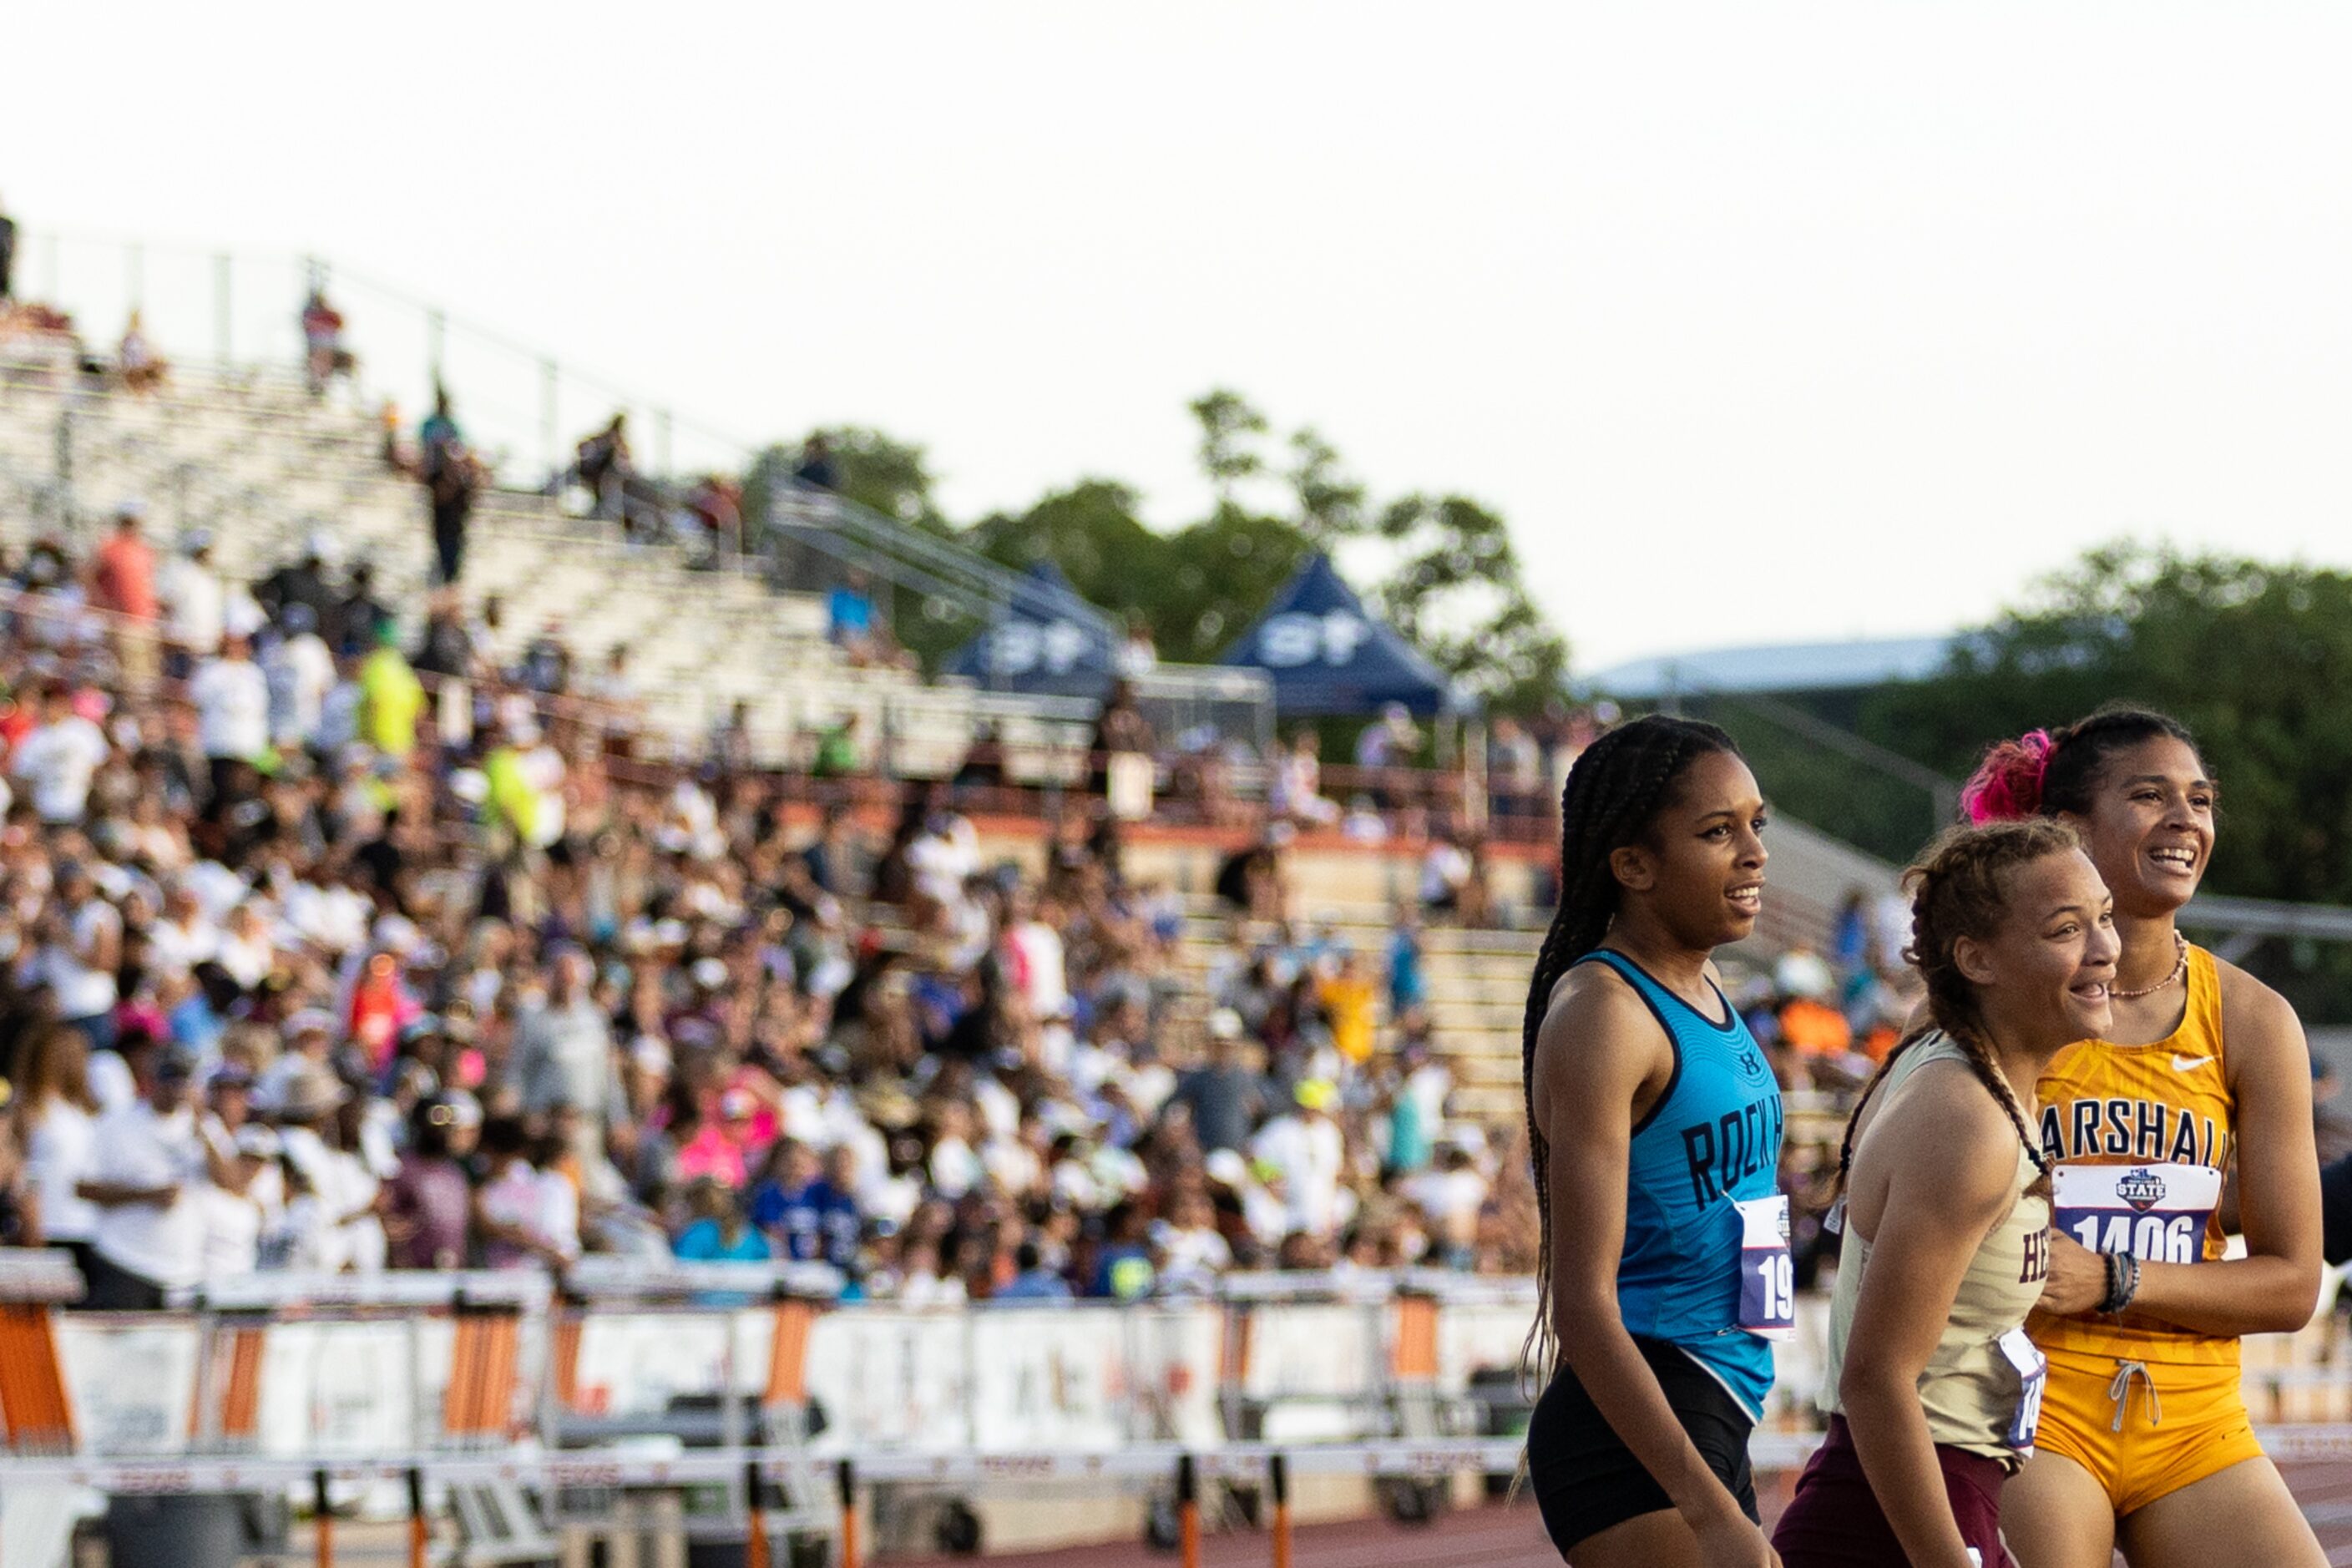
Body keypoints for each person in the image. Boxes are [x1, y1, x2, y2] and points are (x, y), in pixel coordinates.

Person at [1969, 711, 2326, 1568]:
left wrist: (2113, 1277)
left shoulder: (2252, 1017)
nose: (2187, 819)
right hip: (2031, 1406)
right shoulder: (1989, 1008)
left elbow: (2291, 1285)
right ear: (2071, 830)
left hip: (2196, 1421)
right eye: (2150, 795)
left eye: (2200, 800)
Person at [1772, 821, 2115, 1566]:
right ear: (1975, 959)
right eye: (2066, 929)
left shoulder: (1956, 1055)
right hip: (1889, 1510)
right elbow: (1875, 1381)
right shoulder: (1967, 1123)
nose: (2105, 949)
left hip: (1937, 1495)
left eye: (2104, 917)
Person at [1518, 716, 1782, 1568]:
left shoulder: (1702, 980)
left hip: (1715, 1399)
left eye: (1756, 824)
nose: (1753, 852)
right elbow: (1584, 1308)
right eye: (1717, 832)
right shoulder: (1605, 1012)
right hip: (1639, 1416)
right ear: (1631, 865)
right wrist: (1712, 1517)